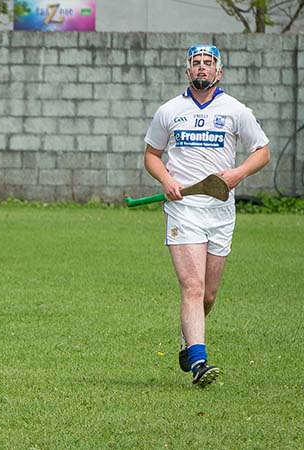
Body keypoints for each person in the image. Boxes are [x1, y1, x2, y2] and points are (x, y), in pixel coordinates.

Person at [143, 45, 270, 387]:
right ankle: (200, 362)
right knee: (193, 286)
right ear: (187, 71)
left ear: (219, 72)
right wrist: (166, 179)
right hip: (184, 208)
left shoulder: (235, 111)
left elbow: (262, 151)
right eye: (196, 63)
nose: (202, 68)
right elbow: (152, 155)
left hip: (220, 210)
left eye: (208, 63)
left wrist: (238, 174)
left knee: (208, 294)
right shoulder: (169, 111)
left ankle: (188, 338)